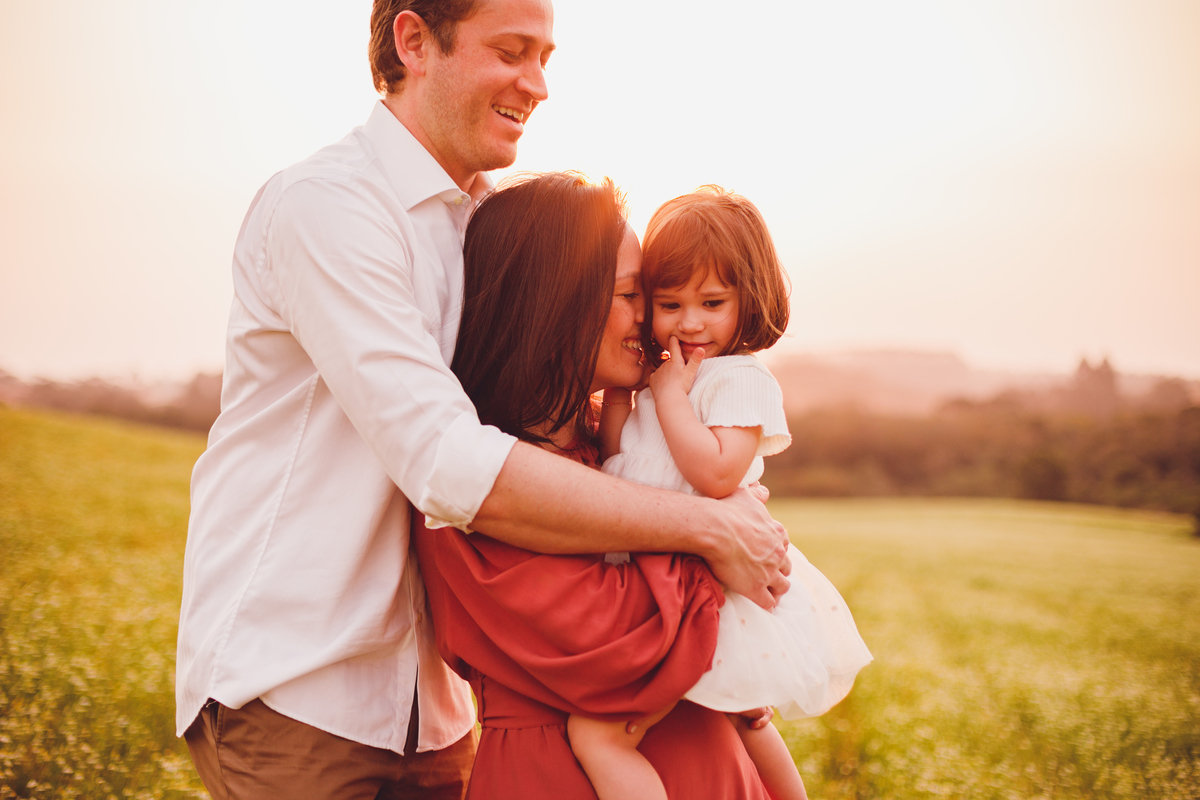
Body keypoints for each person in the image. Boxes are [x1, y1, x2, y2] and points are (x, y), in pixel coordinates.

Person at [176, 1, 790, 798]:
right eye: (510, 51)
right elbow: (447, 458)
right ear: (414, 41)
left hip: (436, 707)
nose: (536, 84)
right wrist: (708, 526)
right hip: (301, 684)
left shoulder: (496, 226)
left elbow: (541, 395)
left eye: (545, 57)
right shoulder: (329, 207)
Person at [415, 171, 777, 800]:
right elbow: (618, 639)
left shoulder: (618, 449)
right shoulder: (473, 486)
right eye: (635, 294)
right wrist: (719, 542)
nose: (655, 319)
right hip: (555, 776)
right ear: (558, 302)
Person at [568, 187, 875, 800]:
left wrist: (669, 397)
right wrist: (625, 395)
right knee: (739, 716)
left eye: (712, 303)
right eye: (669, 304)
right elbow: (619, 456)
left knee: (607, 732)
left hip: (707, 586)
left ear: (747, 300)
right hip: (656, 575)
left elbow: (715, 474)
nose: (689, 322)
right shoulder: (667, 378)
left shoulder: (737, 379)